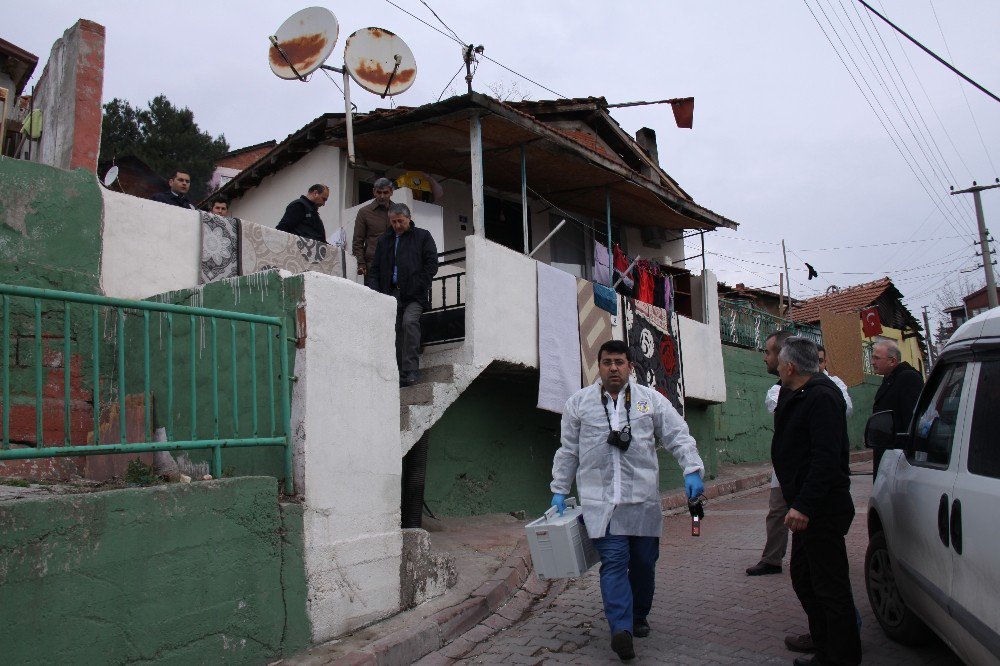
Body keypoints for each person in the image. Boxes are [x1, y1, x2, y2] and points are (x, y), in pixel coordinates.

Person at [550, 339, 705, 661]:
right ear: (599, 366)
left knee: (644, 565)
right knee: (615, 563)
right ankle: (620, 628)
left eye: (619, 362)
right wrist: (560, 487)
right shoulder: (579, 403)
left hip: (643, 502)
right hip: (600, 503)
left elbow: (677, 434)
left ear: (630, 367)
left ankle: (638, 616)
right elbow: (568, 450)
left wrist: (692, 468)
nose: (613, 368)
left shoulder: (651, 401)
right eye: (607, 362)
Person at [772, 336, 861, 666]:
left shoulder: (822, 396)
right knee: (805, 579)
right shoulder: (798, 392)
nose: (777, 367)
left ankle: (841, 657)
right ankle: (824, 646)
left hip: (821, 510)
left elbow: (825, 459)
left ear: (791, 366)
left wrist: (804, 505)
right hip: (807, 509)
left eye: (781, 362)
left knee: (830, 588)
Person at [369, 203, 438, 387]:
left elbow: (432, 264)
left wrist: (420, 284)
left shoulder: (422, 236)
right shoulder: (385, 240)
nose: (397, 225)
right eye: (394, 222)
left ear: (409, 219)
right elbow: (375, 268)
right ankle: (400, 373)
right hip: (391, 293)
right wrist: (377, 291)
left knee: (410, 322)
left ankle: (411, 370)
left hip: (415, 293)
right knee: (396, 330)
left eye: (401, 221)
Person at [747, 330, 794, 578]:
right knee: (778, 511)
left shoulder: (825, 388)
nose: (765, 358)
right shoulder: (777, 391)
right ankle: (772, 558)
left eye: (768, 352)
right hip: (785, 464)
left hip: (809, 465)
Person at [870, 340, 923, 481]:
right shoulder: (889, 379)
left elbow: (911, 419)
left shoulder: (908, 378)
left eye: (876, 358)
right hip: (887, 451)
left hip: (898, 455)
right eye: (872, 357)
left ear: (892, 361)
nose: (872, 362)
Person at [352, 177, 394, 279]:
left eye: (385, 192)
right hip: (373, 264)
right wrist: (361, 263)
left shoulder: (398, 211)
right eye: (379, 192)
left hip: (395, 262)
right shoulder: (364, 212)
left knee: (394, 295)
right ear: (374, 192)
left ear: (391, 192)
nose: (382, 196)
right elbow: (358, 241)